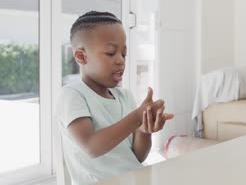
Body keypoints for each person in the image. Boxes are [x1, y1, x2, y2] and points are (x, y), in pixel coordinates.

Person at [57, 11, 174, 184]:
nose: (120, 60)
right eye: (111, 53)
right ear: (82, 56)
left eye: (124, 54)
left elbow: (137, 157)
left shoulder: (125, 96)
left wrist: (144, 131)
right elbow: (91, 147)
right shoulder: (72, 95)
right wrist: (136, 118)